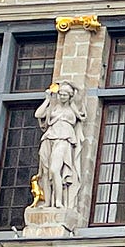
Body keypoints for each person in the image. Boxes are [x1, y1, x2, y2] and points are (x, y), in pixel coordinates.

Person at [36, 82, 85, 212]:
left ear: (70, 96)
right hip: (49, 138)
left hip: (64, 139)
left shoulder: (74, 107)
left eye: (65, 94)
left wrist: (67, 83)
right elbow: (38, 114)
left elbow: (81, 90)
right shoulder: (53, 107)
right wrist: (47, 99)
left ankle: (59, 201)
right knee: (45, 172)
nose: (62, 96)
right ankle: (47, 202)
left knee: (54, 169)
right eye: (60, 94)